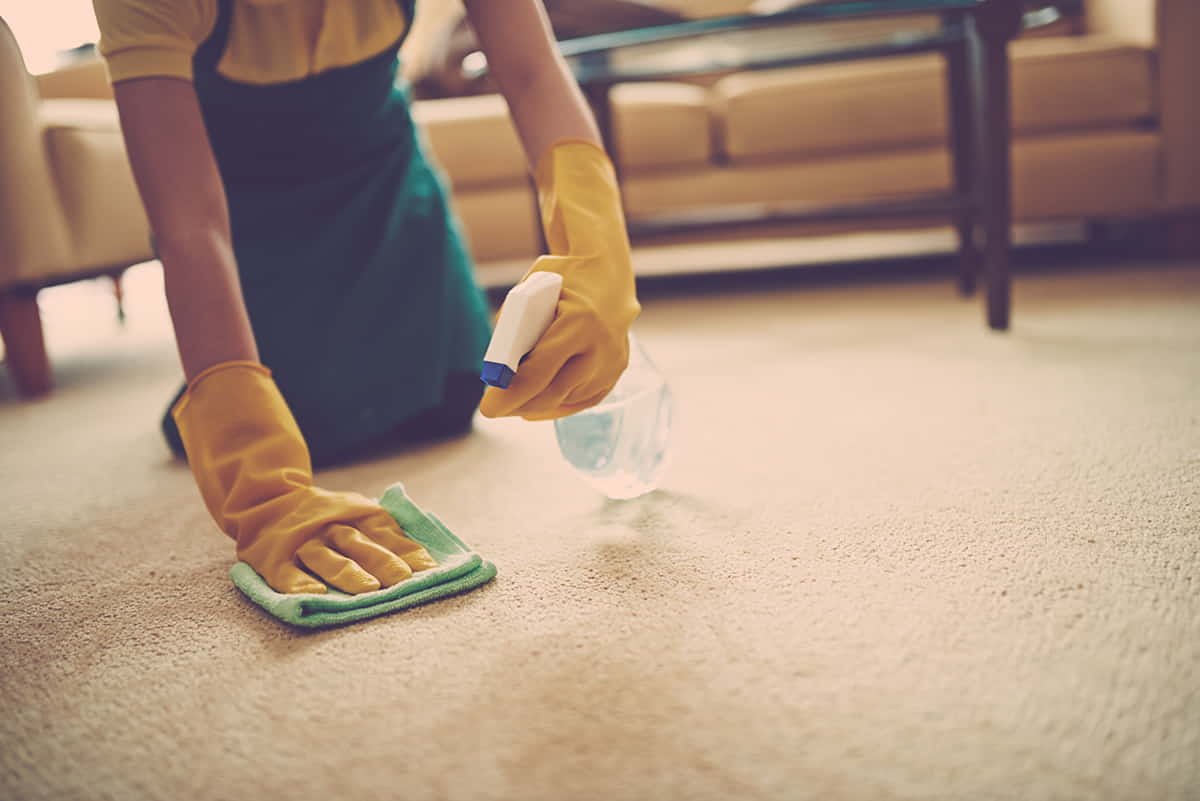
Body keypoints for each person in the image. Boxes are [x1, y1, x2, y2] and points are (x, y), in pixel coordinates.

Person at [92, 0, 640, 596]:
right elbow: (190, 229)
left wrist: (594, 245)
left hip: (385, 187)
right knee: (307, 419)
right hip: (250, 218)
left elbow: (533, 70)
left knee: (451, 397)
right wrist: (262, 485)